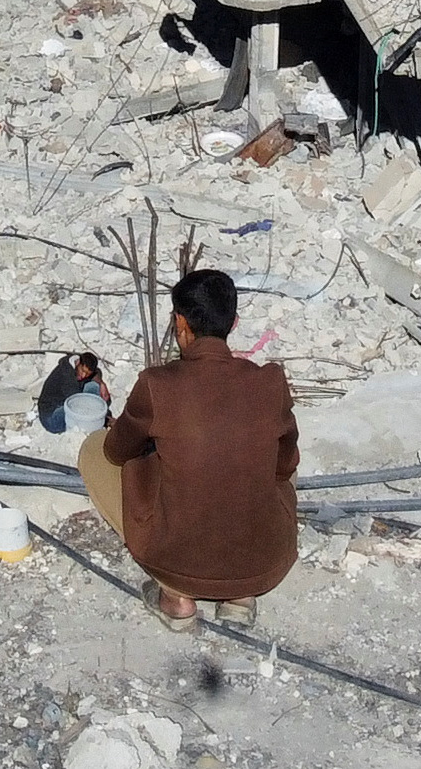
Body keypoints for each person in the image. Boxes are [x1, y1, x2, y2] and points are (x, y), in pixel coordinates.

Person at [79, 269, 298, 631]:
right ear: (234, 323)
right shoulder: (270, 381)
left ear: (180, 323)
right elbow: (286, 466)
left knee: (93, 450)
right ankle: (239, 597)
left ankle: (176, 596)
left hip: (178, 563)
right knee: (276, 461)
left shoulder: (157, 384)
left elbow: (118, 452)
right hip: (263, 565)